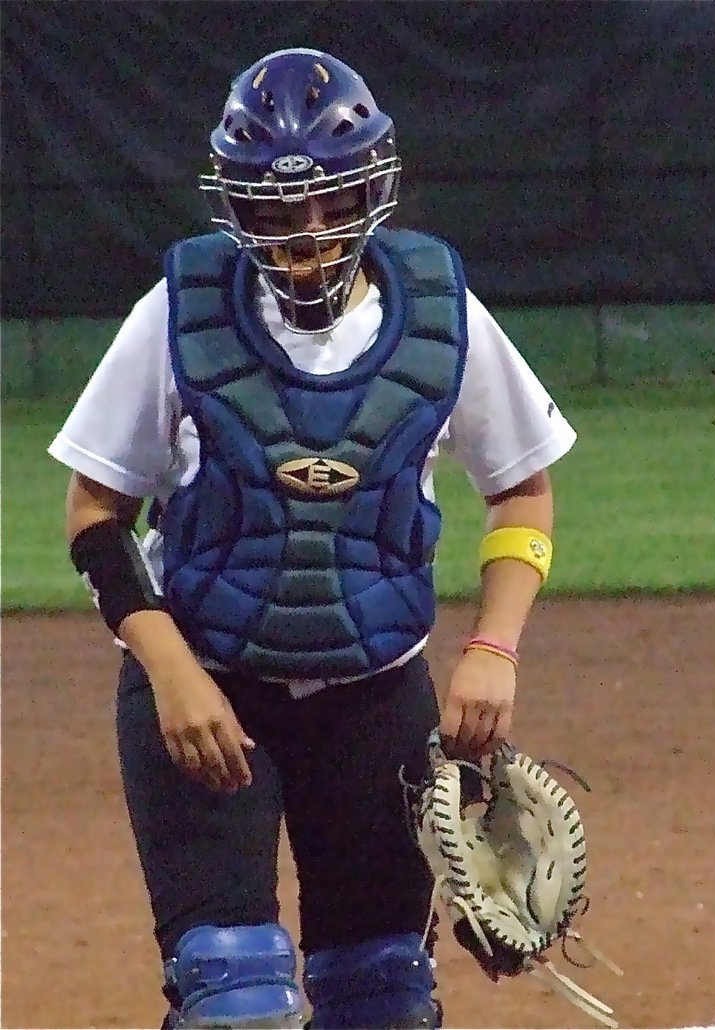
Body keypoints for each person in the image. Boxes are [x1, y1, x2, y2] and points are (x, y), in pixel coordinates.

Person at [48, 48, 575, 1029]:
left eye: (334, 205)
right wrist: (169, 670)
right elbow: (94, 513)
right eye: (276, 211)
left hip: (375, 698)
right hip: (204, 693)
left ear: (377, 191)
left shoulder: (440, 311)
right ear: (232, 205)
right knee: (234, 995)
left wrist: (494, 649)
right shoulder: (180, 310)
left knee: (380, 995)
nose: (309, 234)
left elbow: (524, 489)